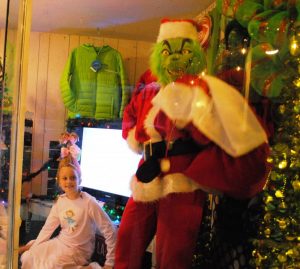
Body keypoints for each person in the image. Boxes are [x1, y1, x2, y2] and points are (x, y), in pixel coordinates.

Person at [115, 18, 270, 269]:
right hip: (147, 174)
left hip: (182, 180)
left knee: (173, 254)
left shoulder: (201, 90)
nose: (175, 58)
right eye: (168, 51)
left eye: (184, 51)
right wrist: (138, 139)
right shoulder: (148, 90)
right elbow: (130, 121)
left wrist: (192, 116)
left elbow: (209, 134)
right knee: (127, 238)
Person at [20, 155, 117, 269]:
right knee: (28, 257)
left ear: (79, 179)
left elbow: (110, 230)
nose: (69, 182)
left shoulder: (89, 202)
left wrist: (109, 264)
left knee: (50, 266)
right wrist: (35, 247)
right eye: (64, 178)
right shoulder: (60, 201)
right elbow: (47, 229)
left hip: (79, 250)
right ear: (59, 181)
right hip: (60, 243)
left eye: (73, 178)